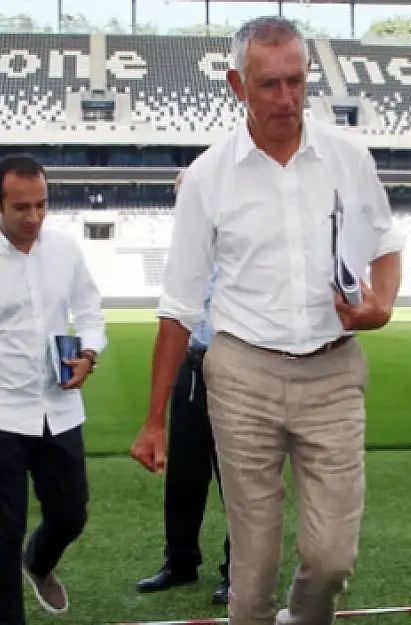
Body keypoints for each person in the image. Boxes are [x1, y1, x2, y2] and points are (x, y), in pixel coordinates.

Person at [129, 16, 404, 625]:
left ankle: (302, 617)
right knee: (251, 568)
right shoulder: (206, 178)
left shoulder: (349, 158)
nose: (285, 99)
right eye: (267, 85)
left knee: (332, 557)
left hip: (333, 374)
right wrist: (154, 420)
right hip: (243, 374)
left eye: (295, 81)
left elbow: (385, 244)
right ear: (237, 85)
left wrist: (380, 304)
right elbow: (177, 307)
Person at [0, 154, 107, 624]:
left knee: (72, 514)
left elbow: (90, 309)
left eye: (42, 204)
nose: (34, 217)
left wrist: (89, 355)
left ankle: (38, 562)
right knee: (4, 528)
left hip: (59, 408)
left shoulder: (65, 249)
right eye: (21, 207)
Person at [136, 172, 231, 605]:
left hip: (235, 369)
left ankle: (238, 569)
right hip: (191, 367)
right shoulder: (184, 254)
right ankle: (180, 562)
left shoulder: (237, 247)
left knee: (238, 477)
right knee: (184, 475)